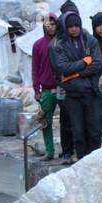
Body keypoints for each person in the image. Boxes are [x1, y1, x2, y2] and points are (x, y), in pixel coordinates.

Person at [49, 9, 102, 162]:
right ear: (66, 28)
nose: (74, 29)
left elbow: (98, 64)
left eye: (76, 25)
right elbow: (63, 68)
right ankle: (82, 162)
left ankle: (96, 162)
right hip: (73, 95)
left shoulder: (90, 41)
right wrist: (84, 62)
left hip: (91, 92)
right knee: (78, 132)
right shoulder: (61, 45)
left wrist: (77, 74)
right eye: (70, 26)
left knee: (94, 131)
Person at [31, 13, 60, 159]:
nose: (50, 27)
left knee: (68, 120)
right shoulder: (38, 45)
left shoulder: (62, 42)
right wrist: (37, 90)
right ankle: (49, 151)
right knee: (45, 121)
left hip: (63, 88)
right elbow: (35, 69)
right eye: (47, 24)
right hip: (47, 90)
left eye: (53, 23)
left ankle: (68, 150)